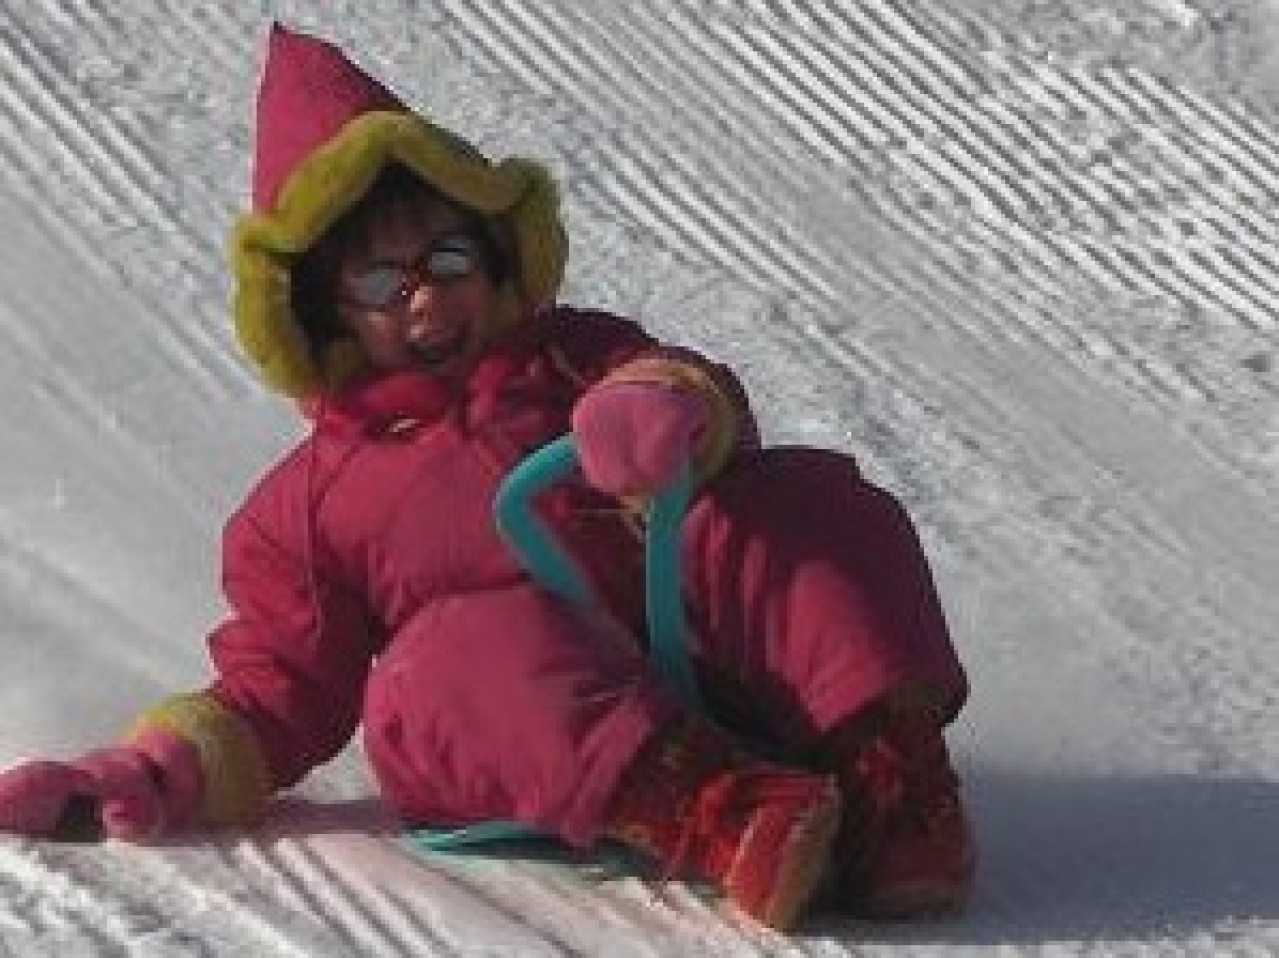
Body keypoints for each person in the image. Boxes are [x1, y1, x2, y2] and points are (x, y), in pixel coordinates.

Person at [0, 23, 974, 931]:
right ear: (324, 313)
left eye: (448, 254)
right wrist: (158, 767)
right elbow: (280, 685)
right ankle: (725, 812)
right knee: (433, 671)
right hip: (555, 736)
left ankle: (886, 773)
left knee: (800, 500)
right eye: (382, 283)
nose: (425, 293)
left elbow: (700, 400)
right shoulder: (304, 508)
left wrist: (664, 407)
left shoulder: (575, 354)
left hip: (703, 656)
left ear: (495, 249)